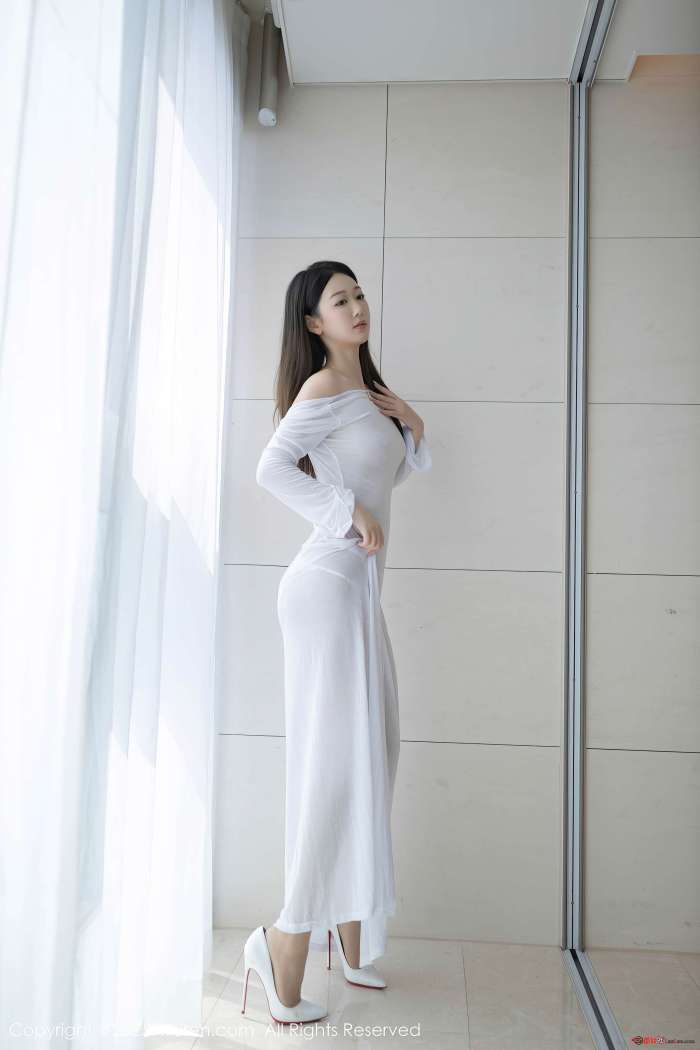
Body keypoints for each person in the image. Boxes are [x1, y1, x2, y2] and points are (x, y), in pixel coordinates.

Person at [241, 260, 432, 1025]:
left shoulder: (366, 395)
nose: (357, 306)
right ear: (314, 323)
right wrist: (344, 510)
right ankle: (282, 942)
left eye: (359, 294)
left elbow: (383, 479)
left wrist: (412, 428)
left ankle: (351, 939)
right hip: (325, 585)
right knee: (334, 765)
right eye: (339, 299)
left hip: (356, 590)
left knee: (372, 753)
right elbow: (271, 467)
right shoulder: (323, 386)